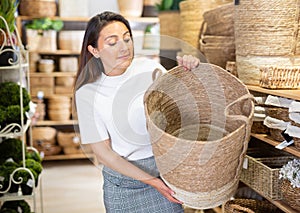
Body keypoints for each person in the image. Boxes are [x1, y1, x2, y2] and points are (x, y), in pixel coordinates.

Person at [74, 11, 200, 213]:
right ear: (94, 50)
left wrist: (189, 73)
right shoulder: (87, 93)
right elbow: (104, 154)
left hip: (164, 177)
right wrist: (152, 181)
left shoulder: (149, 69)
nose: (124, 47)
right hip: (123, 186)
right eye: (112, 42)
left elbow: (182, 110)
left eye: (127, 38)